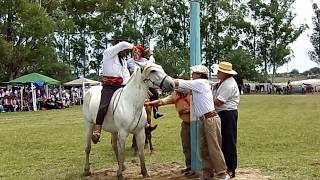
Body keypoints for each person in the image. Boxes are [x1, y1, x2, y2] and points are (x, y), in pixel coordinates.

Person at [174, 65, 230, 180]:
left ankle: (222, 173)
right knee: (204, 149)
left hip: (210, 119)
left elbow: (178, 83)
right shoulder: (199, 84)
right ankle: (207, 174)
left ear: (199, 75)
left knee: (214, 148)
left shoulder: (199, 83)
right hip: (205, 119)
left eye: (194, 72)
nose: (192, 74)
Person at [92, 40, 133, 144]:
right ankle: (97, 130)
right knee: (103, 106)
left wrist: (127, 85)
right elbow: (122, 44)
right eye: (124, 50)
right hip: (109, 87)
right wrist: (134, 47)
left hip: (120, 86)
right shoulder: (108, 53)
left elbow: (126, 74)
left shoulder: (123, 60)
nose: (125, 51)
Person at [145, 89, 194, 176]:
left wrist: (188, 111)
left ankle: (200, 168)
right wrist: (149, 103)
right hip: (185, 123)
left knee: (198, 147)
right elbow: (162, 101)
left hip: (197, 124)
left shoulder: (194, 94)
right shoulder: (175, 95)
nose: (177, 89)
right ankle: (189, 167)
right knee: (186, 146)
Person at [212, 62, 240, 179]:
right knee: (223, 141)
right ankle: (225, 166)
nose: (217, 73)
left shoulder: (228, 85)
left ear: (225, 73)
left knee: (229, 141)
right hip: (223, 113)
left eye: (219, 71)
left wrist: (206, 99)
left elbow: (219, 101)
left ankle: (231, 168)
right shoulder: (222, 83)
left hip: (228, 114)